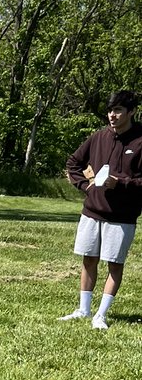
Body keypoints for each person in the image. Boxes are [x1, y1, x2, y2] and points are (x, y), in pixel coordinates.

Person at [60, 90, 142, 330]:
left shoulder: (140, 141)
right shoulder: (99, 137)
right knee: (89, 259)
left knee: (114, 263)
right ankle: (83, 309)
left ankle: (101, 315)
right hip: (92, 211)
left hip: (122, 216)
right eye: (110, 110)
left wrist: (122, 183)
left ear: (132, 112)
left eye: (118, 110)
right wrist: (86, 187)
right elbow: (73, 163)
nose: (112, 116)